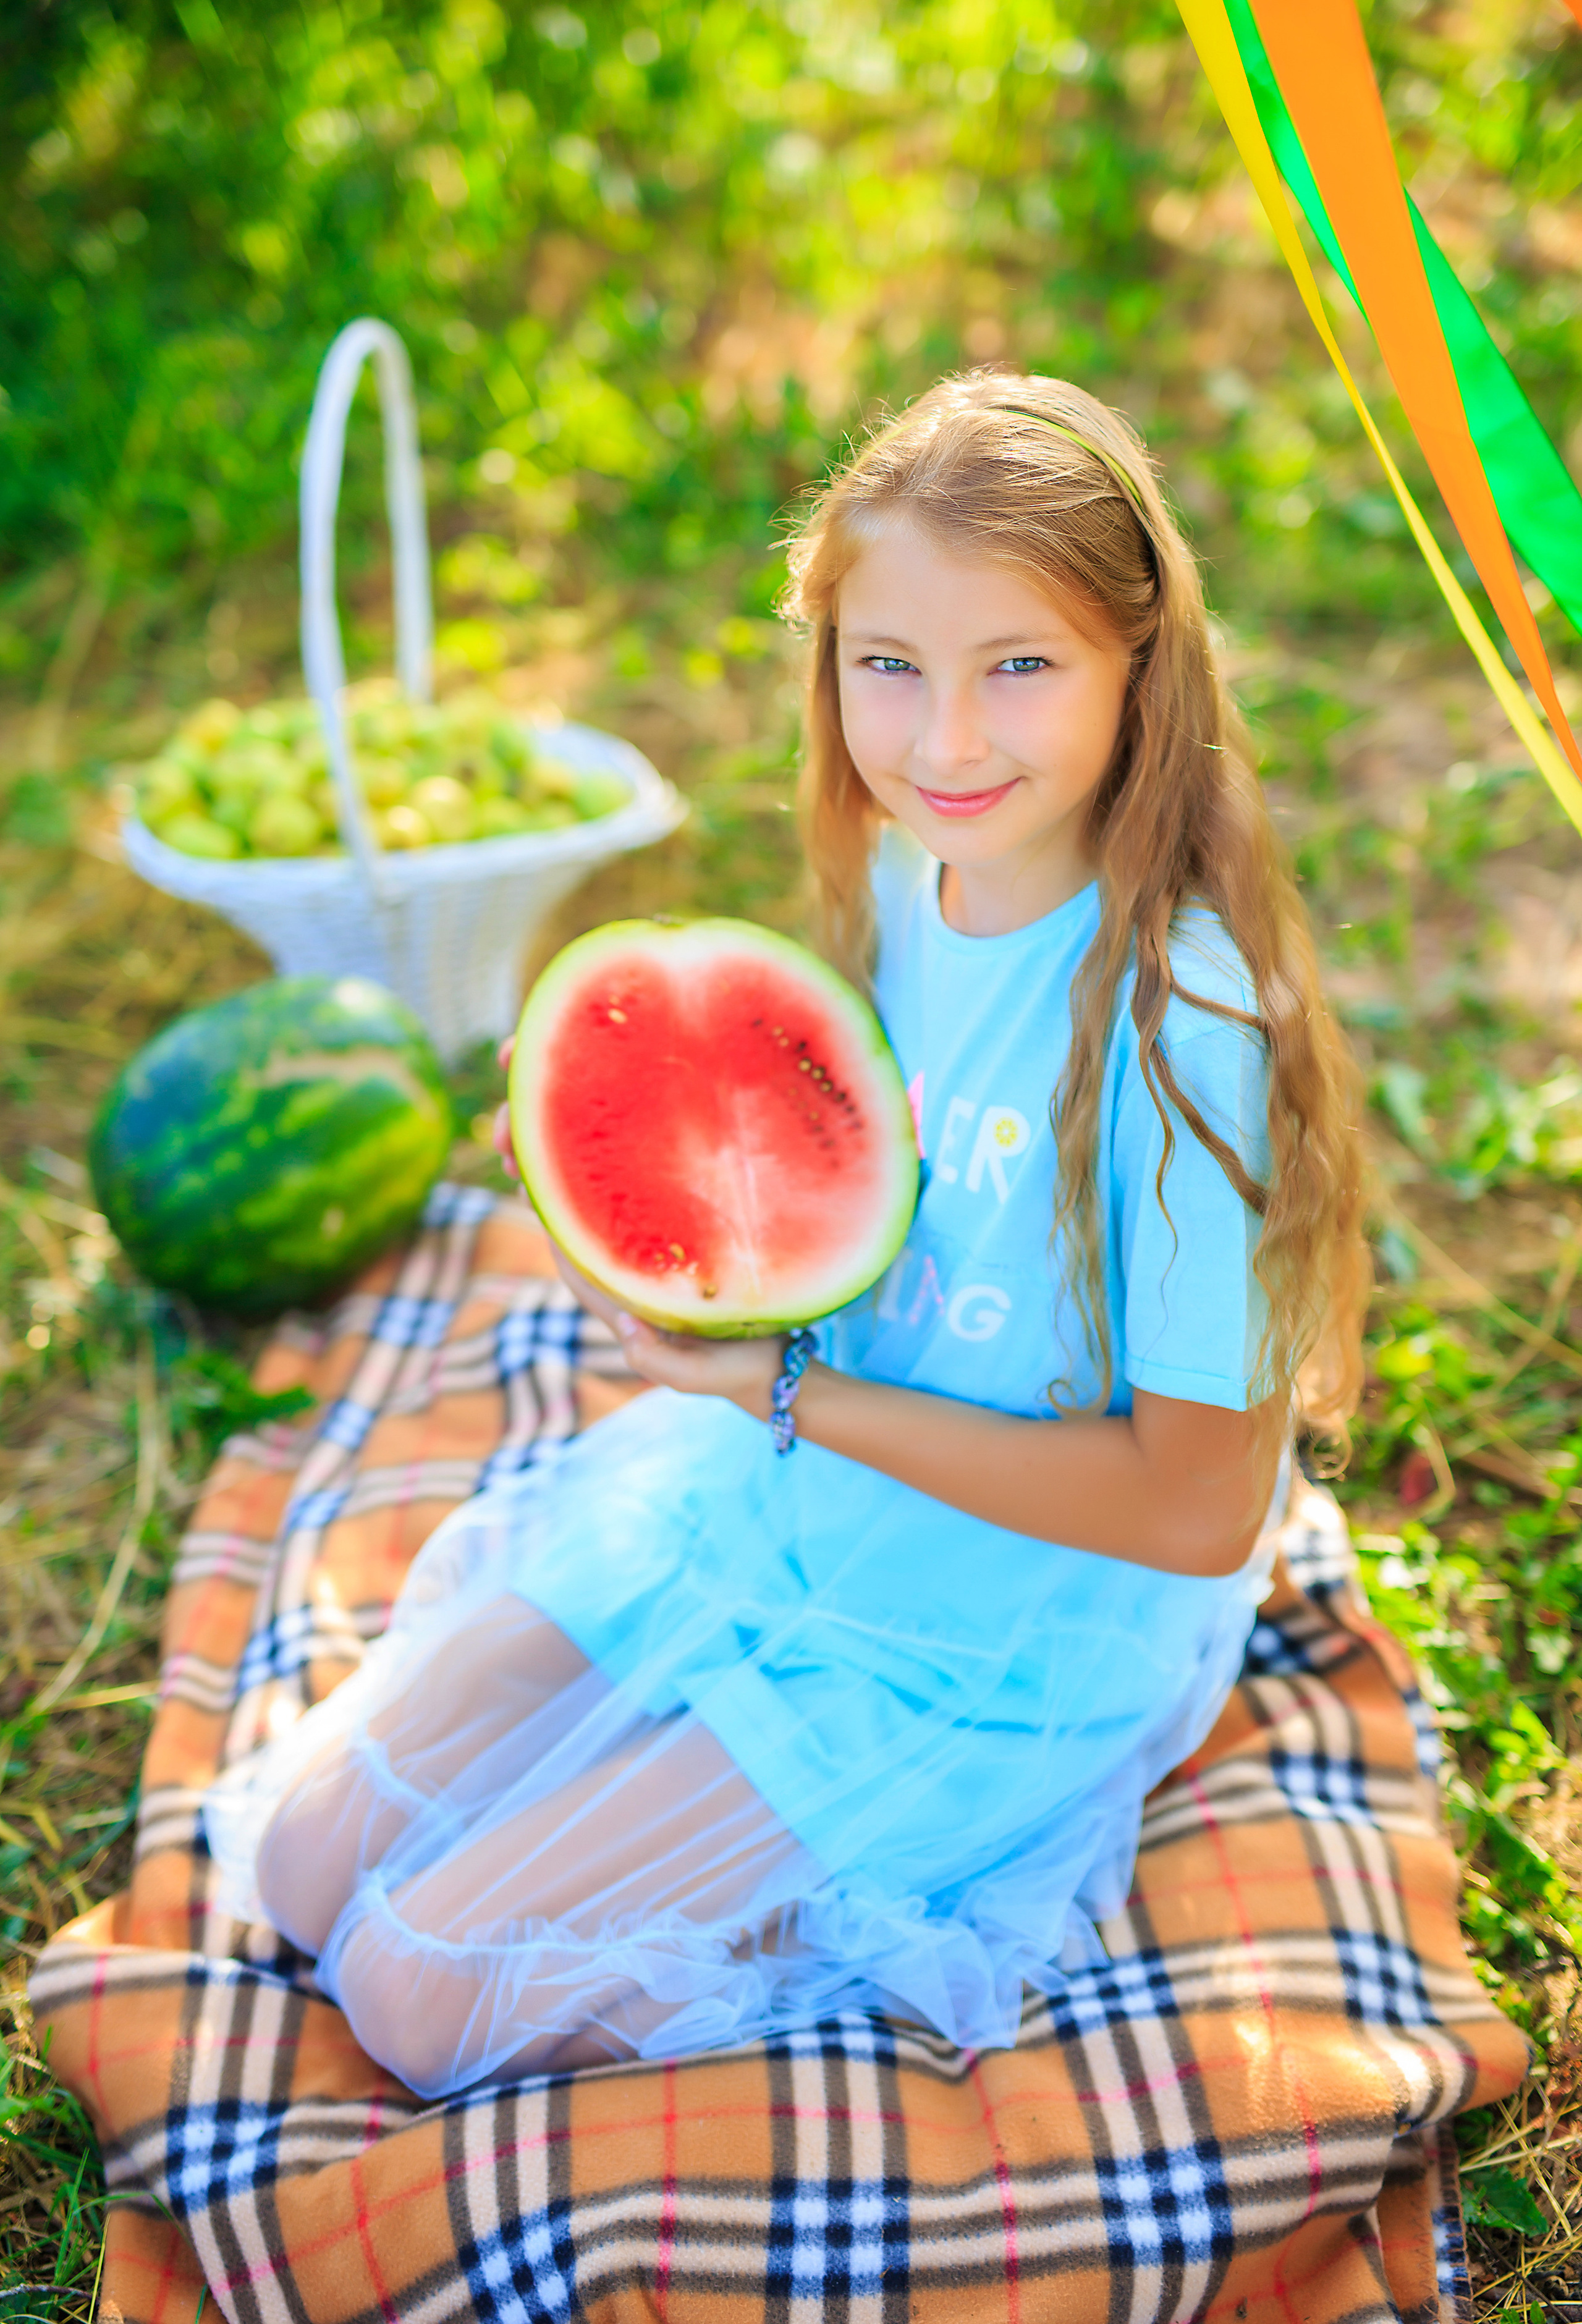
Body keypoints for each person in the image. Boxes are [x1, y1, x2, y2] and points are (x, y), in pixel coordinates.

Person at [205, 371, 1369, 2100]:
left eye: (1020, 666)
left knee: (418, 1988)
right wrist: (666, 1190)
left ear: (1144, 669)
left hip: (1004, 1622)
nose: (946, 740)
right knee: (303, 1858)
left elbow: (1199, 1512)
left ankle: (819, 1905)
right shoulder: (910, 880)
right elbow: (866, 1208)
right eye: (888, 664)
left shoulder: (1187, 1024)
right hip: (787, 1501)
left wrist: (785, 1399)